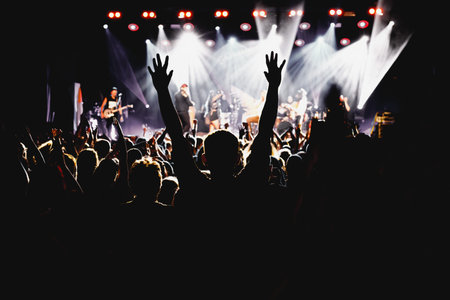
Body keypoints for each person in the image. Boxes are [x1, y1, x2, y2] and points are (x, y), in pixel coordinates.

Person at [148, 51, 286, 296]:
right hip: (245, 282)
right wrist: (273, 87)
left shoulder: (196, 188)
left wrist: (161, 91)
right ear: (237, 159)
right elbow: (264, 134)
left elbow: (177, 138)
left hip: (201, 282)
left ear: (203, 159)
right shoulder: (248, 186)